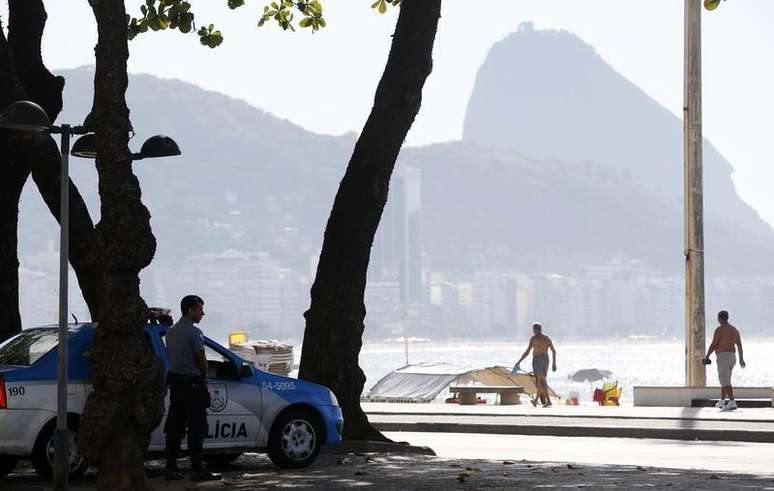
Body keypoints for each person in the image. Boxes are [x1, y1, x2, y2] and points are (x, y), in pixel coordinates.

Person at [164, 295, 221, 481]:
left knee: (175, 426)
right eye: (199, 309)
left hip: (176, 383)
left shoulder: (170, 332)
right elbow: (201, 359)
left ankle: (171, 467)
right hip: (193, 385)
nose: (202, 313)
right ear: (190, 310)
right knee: (197, 426)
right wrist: (204, 379)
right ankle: (197, 469)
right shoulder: (195, 333)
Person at [703, 310, 746, 411]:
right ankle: (722, 401)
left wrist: (707, 356)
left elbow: (714, 344)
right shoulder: (734, 330)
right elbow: (739, 344)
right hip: (732, 357)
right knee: (726, 379)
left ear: (719, 318)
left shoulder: (719, 330)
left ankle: (732, 402)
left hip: (723, 357)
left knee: (725, 380)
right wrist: (741, 359)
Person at [514, 322, 557, 407]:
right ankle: (536, 400)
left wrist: (554, 364)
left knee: (542, 380)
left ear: (538, 330)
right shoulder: (534, 339)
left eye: (534, 330)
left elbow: (553, 351)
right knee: (539, 381)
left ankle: (548, 401)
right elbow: (527, 352)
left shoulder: (545, 338)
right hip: (539, 360)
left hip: (542, 360)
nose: (534, 332)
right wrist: (519, 362)